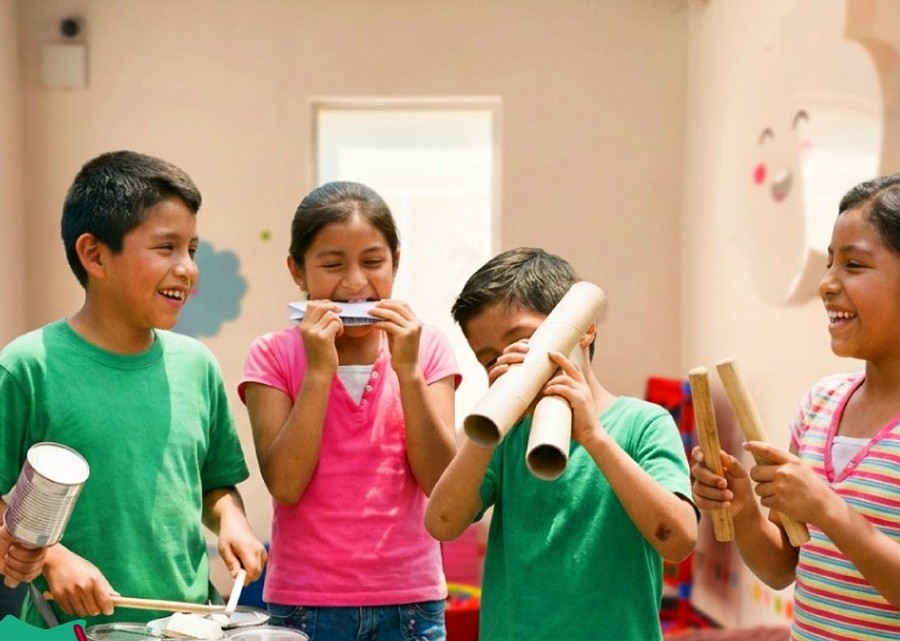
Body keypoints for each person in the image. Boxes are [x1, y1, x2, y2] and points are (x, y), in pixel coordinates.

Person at [0, 150, 267, 629]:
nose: (187, 268)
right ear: (95, 255)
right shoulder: (26, 367)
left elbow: (214, 484)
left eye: (192, 249)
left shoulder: (197, 367)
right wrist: (53, 558)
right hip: (65, 629)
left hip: (187, 625)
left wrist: (233, 521)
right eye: (166, 248)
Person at [424, 247, 698, 641]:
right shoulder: (506, 437)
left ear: (584, 328)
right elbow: (442, 522)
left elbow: (677, 541)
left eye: (523, 340)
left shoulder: (642, 424)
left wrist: (593, 437)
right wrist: (491, 420)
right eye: (490, 359)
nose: (512, 360)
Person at [239, 181, 460, 641]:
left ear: (396, 261)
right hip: (305, 604)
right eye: (332, 264)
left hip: (411, 602)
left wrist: (408, 371)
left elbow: (441, 481)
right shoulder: (272, 355)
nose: (356, 282)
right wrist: (320, 372)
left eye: (373, 262)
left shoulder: (428, 347)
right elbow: (285, 483)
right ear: (297, 270)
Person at [691, 173, 900, 639]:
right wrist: (743, 507)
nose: (827, 284)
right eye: (830, 263)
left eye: (854, 265)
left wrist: (827, 507)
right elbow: (784, 566)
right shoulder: (820, 403)